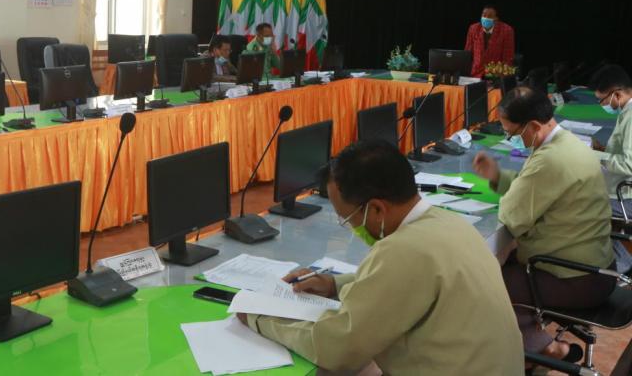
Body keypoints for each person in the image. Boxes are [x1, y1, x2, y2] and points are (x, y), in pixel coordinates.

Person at [238, 140, 524, 375]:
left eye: (347, 218)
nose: (350, 226)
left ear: (376, 209)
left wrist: (260, 319)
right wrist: (333, 284)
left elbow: (338, 349)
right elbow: (400, 282)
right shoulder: (447, 222)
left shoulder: (403, 250)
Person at [472, 87, 614, 362]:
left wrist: (506, 193)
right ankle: (541, 345)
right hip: (597, 266)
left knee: (487, 282)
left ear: (534, 126)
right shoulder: (567, 143)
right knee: (507, 264)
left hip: (577, 278)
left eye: (512, 133)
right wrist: (497, 176)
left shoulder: (550, 159)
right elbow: (535, 188)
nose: (512, 140)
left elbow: (512, 214)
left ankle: (533, 350)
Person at [590, 64, 632, 272]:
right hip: (622, 187)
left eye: (602, 100)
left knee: (577, 202)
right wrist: (604, 150)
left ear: (616, 94)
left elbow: (629, 164)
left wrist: (596, 156)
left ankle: (620, 264)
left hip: (626, 196)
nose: (602, 105)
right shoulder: (627, 110)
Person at [464, 4, 515, 77]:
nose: (486, 18)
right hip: (475, 74)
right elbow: (467, 54)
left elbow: (508, 58)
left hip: (495, 75)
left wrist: (500, 78)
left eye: (490, 16)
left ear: (496, 19)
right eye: (484, 15)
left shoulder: (507, 30)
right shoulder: (473, 28)